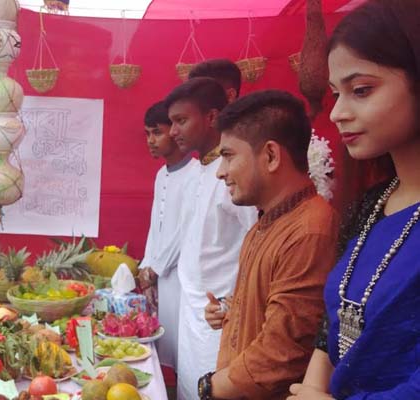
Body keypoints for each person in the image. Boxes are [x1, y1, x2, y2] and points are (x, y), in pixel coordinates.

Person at [289, 1, 420, 399]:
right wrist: (312, 385)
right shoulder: (372, 204)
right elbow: (339, 321)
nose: (338, 113)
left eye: (361, 90)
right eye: (335, 94)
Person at [196, 91, 338, 399]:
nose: (220, 171)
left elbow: (281, 352)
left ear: (271, 156)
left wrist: (210, 387)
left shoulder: (309, 231)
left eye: (229, 155)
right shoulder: (265, 223)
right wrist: (231, 312)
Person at [165, 77, 257, 399]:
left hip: (219, 319)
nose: (173, 131)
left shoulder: (234, 173)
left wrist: (236, 304)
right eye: (172, 122)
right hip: (190, 312)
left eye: (181, 120)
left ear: (212, 117)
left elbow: (256, 240)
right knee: (188, 388)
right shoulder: (198, 171)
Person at [134, 101, 196, 371]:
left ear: (174, 131)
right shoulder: (161, 175)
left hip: (182, 278)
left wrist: (156, 268)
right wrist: (146, 267)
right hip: (158, 275)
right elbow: (155, 227)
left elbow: (186, 232)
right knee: (162, 344)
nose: (151, 141)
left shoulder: (196, 174)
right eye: (147, 134)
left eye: (156, 132)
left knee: (185, 351)